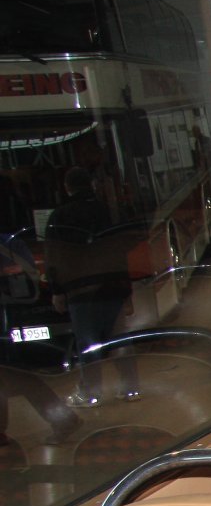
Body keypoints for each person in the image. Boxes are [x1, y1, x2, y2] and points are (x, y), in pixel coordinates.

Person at [44, 166, 137, 405]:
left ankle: (91, 392)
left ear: (67, 187)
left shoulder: (59, 217)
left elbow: (54, 257)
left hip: (80, 290)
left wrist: (57, 291)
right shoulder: (108, 212)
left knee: (88, 343)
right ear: (92, 185)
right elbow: (121, 250)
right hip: (112, 286)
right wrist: (126, 289)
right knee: (119, 339)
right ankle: (130, 388)